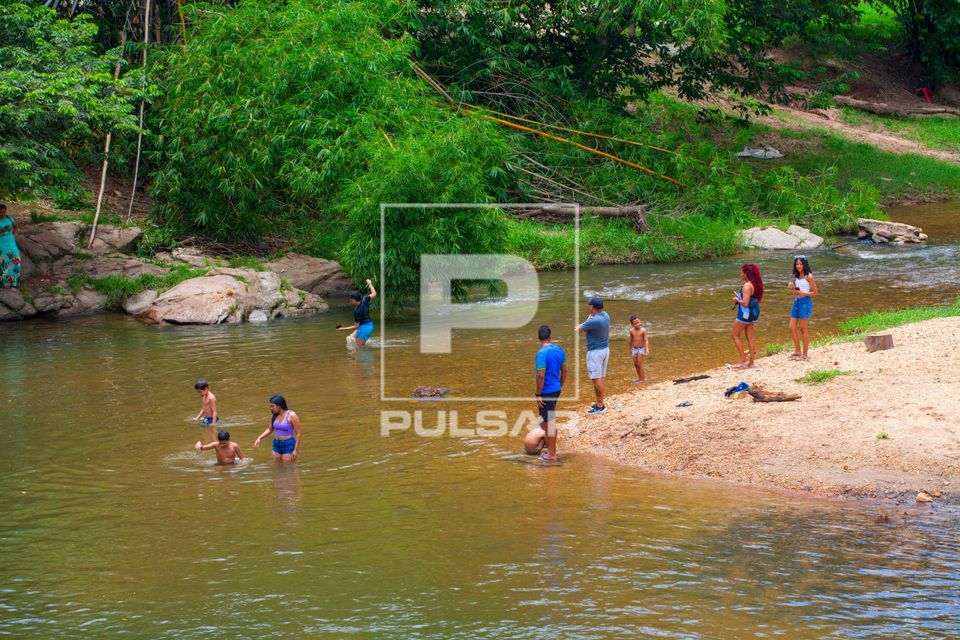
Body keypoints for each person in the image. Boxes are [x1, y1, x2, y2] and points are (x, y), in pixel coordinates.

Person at [533, 324, 567, 460]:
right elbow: (564, 371)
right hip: (556, 389)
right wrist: (561, 385)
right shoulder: (559, 350)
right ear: (550, 337)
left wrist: (538, 394)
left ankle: (552, 453)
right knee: (544, 420)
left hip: (546, 391)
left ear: (538, 338)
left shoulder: (541, 354)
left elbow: (541, 375)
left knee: (549, 422)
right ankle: (549, 445)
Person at [576, 297, 610, 414]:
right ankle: (599, 402)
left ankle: (600, 406)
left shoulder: (594, 320)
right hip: (605, 349)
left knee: (596, 380)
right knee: (600, 378)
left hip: (595, 352)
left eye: (590, 305)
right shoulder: (605, 315)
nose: (588, 307)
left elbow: (578, 329)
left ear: (593, 307)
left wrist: (585, 321)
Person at [731, 263, 764, 369]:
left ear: (746, 274)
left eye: (741, 272)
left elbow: (745, 303)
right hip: (751, 315)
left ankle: (742, 360)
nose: (740, 274)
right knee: (750, 337)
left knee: (735, 335)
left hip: (744, 315)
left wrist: (737, 300)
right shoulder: (755, 285)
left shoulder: (746, 286)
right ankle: (752, 363)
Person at [788, 255, 818, 360]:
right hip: (796, 302)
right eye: (797, 264)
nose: (799, 266)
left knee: (803, 328)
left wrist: (802, 293)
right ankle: (797, 351)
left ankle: (805, 354)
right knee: (791, 327)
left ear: (804, 264)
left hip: (805, 303)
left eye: (801, 264)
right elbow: (798, 290)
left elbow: (815, 293)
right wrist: (793, 287)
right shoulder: (797, 276)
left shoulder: (809, 276)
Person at [254, 395, 301, 462]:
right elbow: (270, 429)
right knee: (276, 466)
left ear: (279, 406)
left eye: (272, 406)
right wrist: (259, 438)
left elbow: (298, 433)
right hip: (276, 443)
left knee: (288, 467)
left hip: (288, 444)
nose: (271, 408)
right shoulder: (274, 416)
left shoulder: (291, 415)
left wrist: (295, 450)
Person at [337, 278, 377, 346]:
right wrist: (369, 283)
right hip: (367, 325)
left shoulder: (358, 311)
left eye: (351, 300)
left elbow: (355, 326)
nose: (350, 301)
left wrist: (342, 328)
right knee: (350, 338)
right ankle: (365, 342)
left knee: (359, 349)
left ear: (355, 300)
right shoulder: (365, 299)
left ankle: (365, 345)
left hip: (365, 328)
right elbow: (374, 293)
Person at [0, 204, 21, 289]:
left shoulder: (9, 218)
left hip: (11, 242)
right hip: (1, 244)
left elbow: (15, 225)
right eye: (0, 212)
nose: (2, 214)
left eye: (4, 212)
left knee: (15, 260)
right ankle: (4, 283)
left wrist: (14, 233)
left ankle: (14, 282)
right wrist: (3, 230)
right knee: (3, 262)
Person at [627, 315, 650, 383]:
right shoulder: (631, 331)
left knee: (639, 363)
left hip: (641, 349)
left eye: (638, 322)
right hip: (634, 349)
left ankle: (642, 379)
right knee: (635, 364)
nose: (638, 324)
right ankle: (639, 378)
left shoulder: (643, 330)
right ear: (632, 324)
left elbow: (646, 340)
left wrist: (647, 349)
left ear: (640, 321)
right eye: (635, 323)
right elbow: (631, 340)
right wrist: (630, 349)